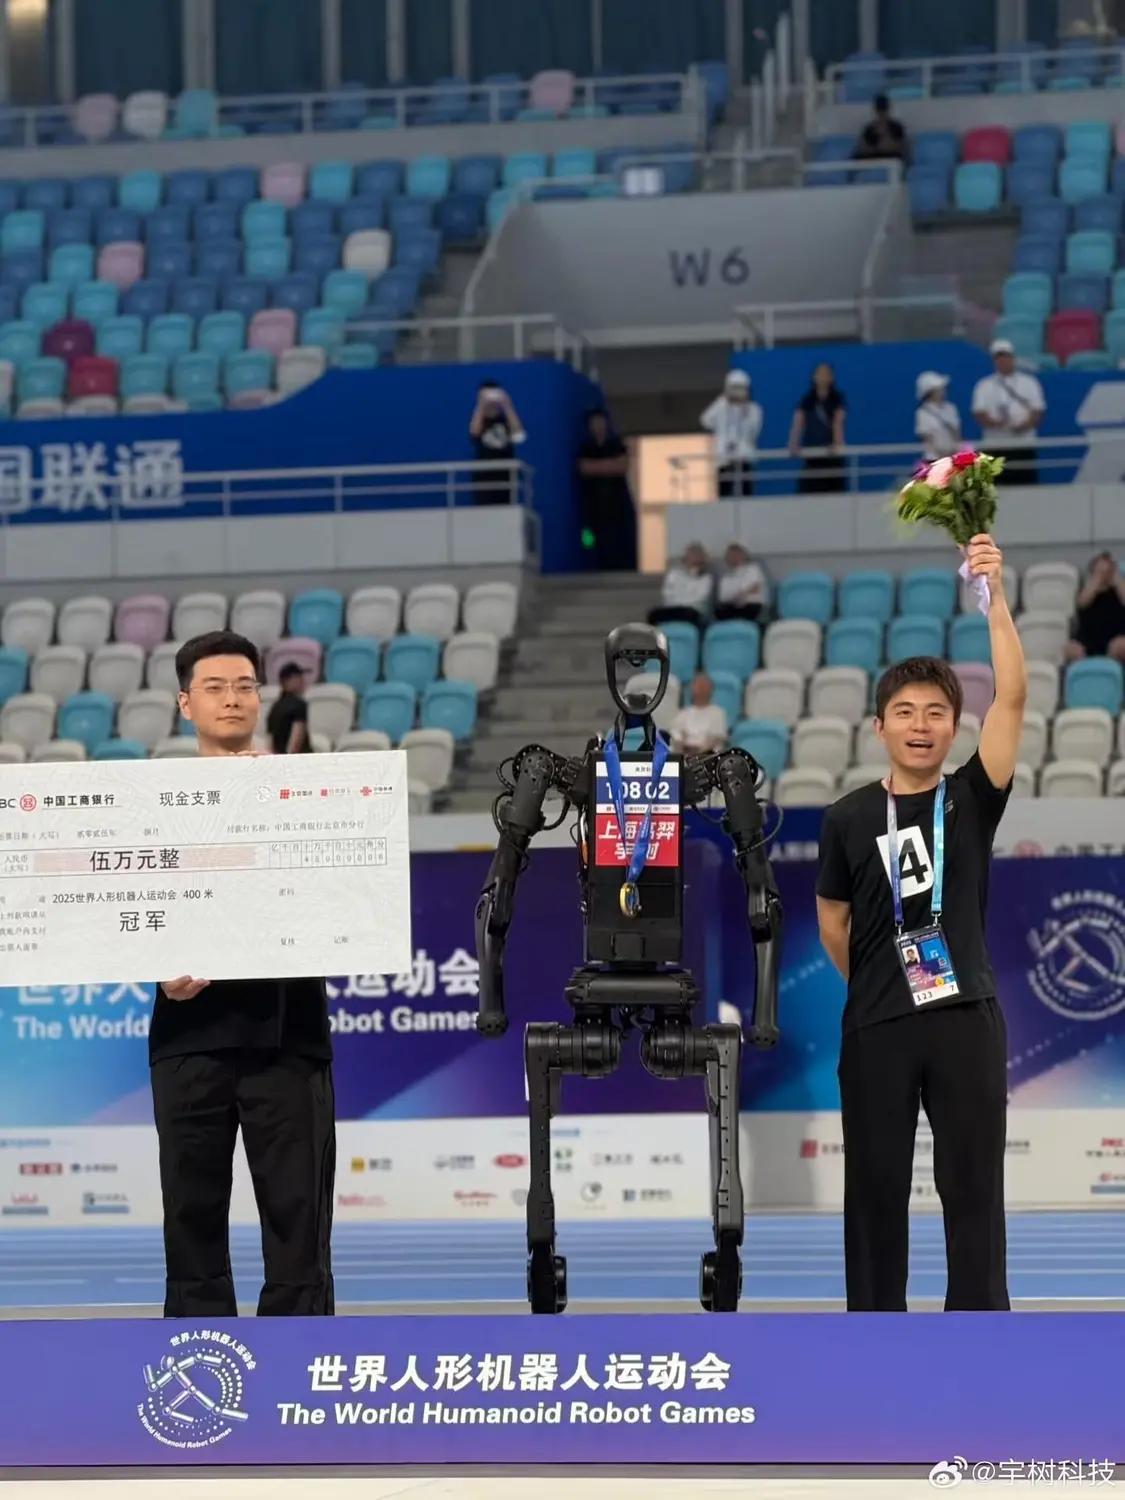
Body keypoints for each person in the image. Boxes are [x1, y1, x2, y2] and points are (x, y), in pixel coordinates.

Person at [815, 534, 1026, 1314]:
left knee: (973, 1189)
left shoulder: (971, 798)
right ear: (878, 727)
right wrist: (882, 984)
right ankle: (876, 1338)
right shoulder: (846, 817)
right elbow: (831, 921)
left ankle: (977, 1335)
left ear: (952, 727)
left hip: (965, 1018)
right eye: (903, 711)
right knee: (873, 1193)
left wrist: (994, 600)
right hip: (876, 1025)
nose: (919, 724)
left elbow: (1012, 699)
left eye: (936, 713)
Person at [150, 630, 336, 1319]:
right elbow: (122, 910)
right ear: (185, 704)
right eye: (214, 687)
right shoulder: (147, 803)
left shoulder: (312, 796)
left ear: (259, 698)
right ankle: (199, 1363)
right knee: (190, 1218)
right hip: (188, 1036)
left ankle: (301, 1368)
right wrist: (156, 967)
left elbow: (345, 899)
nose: (231, 699)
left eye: (243, 686)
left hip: (291, 1035)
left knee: (299, 1224)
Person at [971, 339, 1045, 486]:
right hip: (994, 445)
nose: (1003, 360)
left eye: (1006, 356)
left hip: (1023, 444)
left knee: (1026, 486)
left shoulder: (1029, 382)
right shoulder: (984, 385)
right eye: (999, 357)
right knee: (995, 488)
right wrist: (999, 425)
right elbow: (979, 413)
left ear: (1013, 358)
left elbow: (1038, 411)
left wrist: (1022, 426)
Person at [577, 409, 637, 572]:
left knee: (623, 539)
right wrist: (610, 465)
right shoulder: (586, 448)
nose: (598, 426)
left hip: (618, 502)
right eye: (594, 423)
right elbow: (584, 468)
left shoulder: (616, 445)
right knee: (593, 541)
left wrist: (597, 467)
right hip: (595, 505)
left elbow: (622, 467)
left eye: (600, 422)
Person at [700, 369, 764, 498]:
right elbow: (705, 420)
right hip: (723, 459)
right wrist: (722, 400)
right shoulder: (721, 407)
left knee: (746, 494)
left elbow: (754, 431)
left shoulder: (754, 409)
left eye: (740, 388)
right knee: (724, 496)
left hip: (744, 458)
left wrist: (745, 410)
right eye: (734, 388)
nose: (737, 392)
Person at [789, 363, 847, 494]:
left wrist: (837, 444)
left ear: (832, 378)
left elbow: (838, 423)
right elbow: (798, 422)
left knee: (835, 495)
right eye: (819, 374)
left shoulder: (837, 400)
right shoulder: (807, 400)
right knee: (808, 494)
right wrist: (793, 443)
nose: (822, 377)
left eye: (826, 374)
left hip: (832, 457)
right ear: (814, 377)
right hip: (812, 456)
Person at [469, 381, 525, 505]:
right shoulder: (478, 420)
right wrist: (481, 406)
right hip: (484, 476)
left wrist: (507, 405)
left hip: (505, 475)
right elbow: (475, 433)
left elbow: (519, 435)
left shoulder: (506, 420)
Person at [1067, 552, 1125, 663]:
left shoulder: (1119, 590)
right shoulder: (1087, 590)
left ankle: (1108, 667)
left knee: (1120, 646)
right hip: (1087, 641)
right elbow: (1082, 603)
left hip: (1115, 639)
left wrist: (1115, 577)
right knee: (1071, 649)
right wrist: (1098, 577)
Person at [648, 542, 714, 629]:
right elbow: (667, 596)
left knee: (690, 614)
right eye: (692, 556)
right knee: (653, 615)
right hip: (673, 609)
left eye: (698, 557)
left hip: (692, 612)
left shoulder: (707, 578)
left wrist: (694, 574)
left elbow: (699, 600)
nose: (695, 560)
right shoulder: (673, 575)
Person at [670, 672, 728, 756]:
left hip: (708, 757)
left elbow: (715, 740)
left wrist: (698, 752)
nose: (701, 689)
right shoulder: (683, 714)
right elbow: (677, 738)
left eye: (704, 685)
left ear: (711, 689)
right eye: (698, 685)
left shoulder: (718, 713)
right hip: (684, 756)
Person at [714, 542, 768, 623]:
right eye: (730, 555)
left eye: (736, 554)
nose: (733, 558)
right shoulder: (726, 578)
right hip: (732, 607)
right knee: (719, 611)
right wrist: (741, 594)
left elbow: (754, 587)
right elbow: (723, 598)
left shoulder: (753, 569)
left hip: (751, 605)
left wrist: (736, 596)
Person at [915, 372, 961, 463]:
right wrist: (941, 455)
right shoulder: (922, 412)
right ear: (930, 392)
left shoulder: (951, 408)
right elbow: (927, 437)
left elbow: (957, 433)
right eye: (939, 389)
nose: (943, 391)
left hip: (953, 456)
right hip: (933, 458)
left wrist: (954, 453)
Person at [267, 662, 311, 754]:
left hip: (279, 757)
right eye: (298, 678)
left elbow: (270, 741)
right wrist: (290, 756)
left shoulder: (275, 707)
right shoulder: (299, 704)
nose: (302, 681)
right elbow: (297, 734)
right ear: (287, 681)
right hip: (298, 757)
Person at [854, 94, 909, 163]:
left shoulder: (896, 127)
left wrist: (890, 145)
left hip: (891, 158)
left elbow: (902, 147)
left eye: (883, 110)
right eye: (880, 110)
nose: (882, 113)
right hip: (872, 159)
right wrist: (877, 148)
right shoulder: (869, 129)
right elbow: (863, 147)